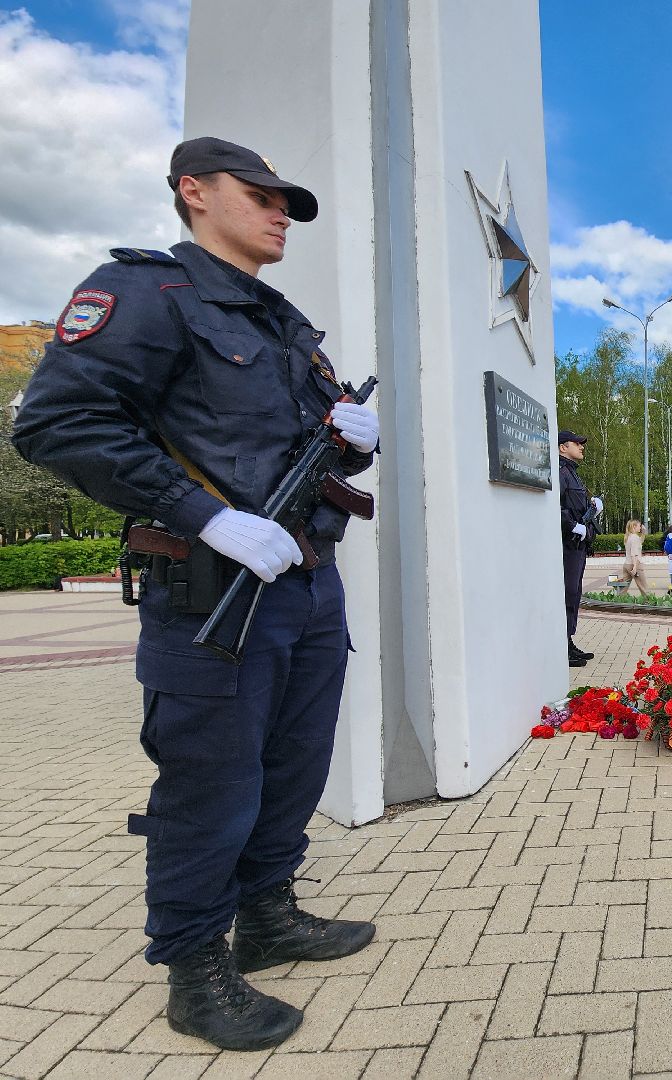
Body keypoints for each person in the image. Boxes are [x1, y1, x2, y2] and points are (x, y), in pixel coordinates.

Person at [11, 137, 380, 1051]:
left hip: (305, 583)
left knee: (294, 765)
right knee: (211, 783)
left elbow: (298, 446)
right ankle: (194, 967)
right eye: (259, 195)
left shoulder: (285, 323)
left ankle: (268, 916)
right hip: (208, 588)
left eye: (287, 202)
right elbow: (56, 422)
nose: (279, 212)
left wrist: (355, 443)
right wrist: (203, 516)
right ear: (193, 191)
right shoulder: (147, 294)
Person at [559, 429, 599, 667]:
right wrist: (574, 527)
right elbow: (557, 507)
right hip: (567, 544)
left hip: (577, 546)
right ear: (563, 447)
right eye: (577, 443)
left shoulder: (572, 473)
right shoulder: (561, 472)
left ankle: (568, 641)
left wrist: (592, 507)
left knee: (574, 594)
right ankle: (563, 645)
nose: (581, 446)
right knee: (567, 593)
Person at [614, 519, 650, 596]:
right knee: (644, 588)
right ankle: (649, 604)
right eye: (639, 526)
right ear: (634, 526)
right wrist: (635, 567)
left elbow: (640, 542)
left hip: (626, 565)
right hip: (635, 565)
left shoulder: (628, 536)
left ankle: (618, 602)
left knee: (623, 589)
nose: (640, 527)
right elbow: (634, 554)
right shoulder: (635, 537)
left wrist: (643, 533)